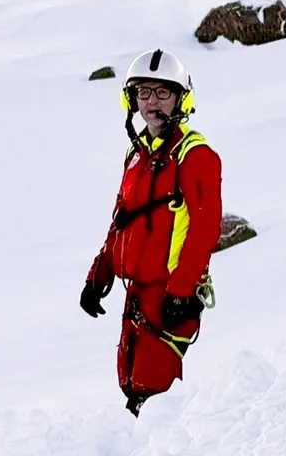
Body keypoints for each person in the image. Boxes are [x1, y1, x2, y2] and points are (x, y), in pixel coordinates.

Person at [80, 49, 223, 417]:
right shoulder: (136, 155)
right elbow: (121, 220)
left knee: (156, 390)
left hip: (169, 294)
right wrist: (99, 274)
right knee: (131, 382)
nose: (151, 103)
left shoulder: (196, 155)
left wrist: (180, 291)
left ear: (180, 98)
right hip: (136, 295)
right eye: (143, 93)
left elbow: (205, 230)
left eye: (162, 93)